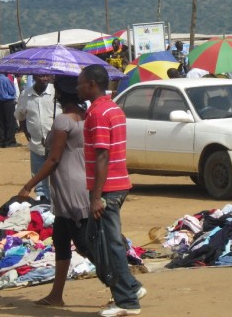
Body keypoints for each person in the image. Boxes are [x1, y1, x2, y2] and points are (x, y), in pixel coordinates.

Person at [77, 64, 145, 317]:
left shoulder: (98, 113)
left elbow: (102, 155)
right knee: (96, 241)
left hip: (108, 189)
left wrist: (96, 197)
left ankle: (127, 301)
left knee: (109, 244)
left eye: (80, 83)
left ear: (92, 84)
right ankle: (130, 287)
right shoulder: (112, 108)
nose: (77, 87)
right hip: (116, 184)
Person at [17, 76, 88, 308]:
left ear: (59, 94)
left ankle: (123, 286)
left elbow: (54, 159)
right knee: (60, 240)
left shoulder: (62, 121)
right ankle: (56, 294)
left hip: (69, 187)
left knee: (86, 245)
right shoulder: (85, 117)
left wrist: (29, 185)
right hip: (73, 184)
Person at [15, 74, 56, 201]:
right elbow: (20, 115)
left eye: (46, 76)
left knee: (58, 178)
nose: (45, 78)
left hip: (57, 145)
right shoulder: (25, 95)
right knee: (39, 180)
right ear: (34, 76)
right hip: (36, 144)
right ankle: (44, 205)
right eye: (41, 76)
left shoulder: (55, 92)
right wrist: (25, 129)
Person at [0, 73, 19, 148]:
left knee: (1, 123)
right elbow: (12, 91)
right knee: (10, 122)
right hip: (8, 102)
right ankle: (10, 141)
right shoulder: (6, 80)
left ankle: (1, 142)